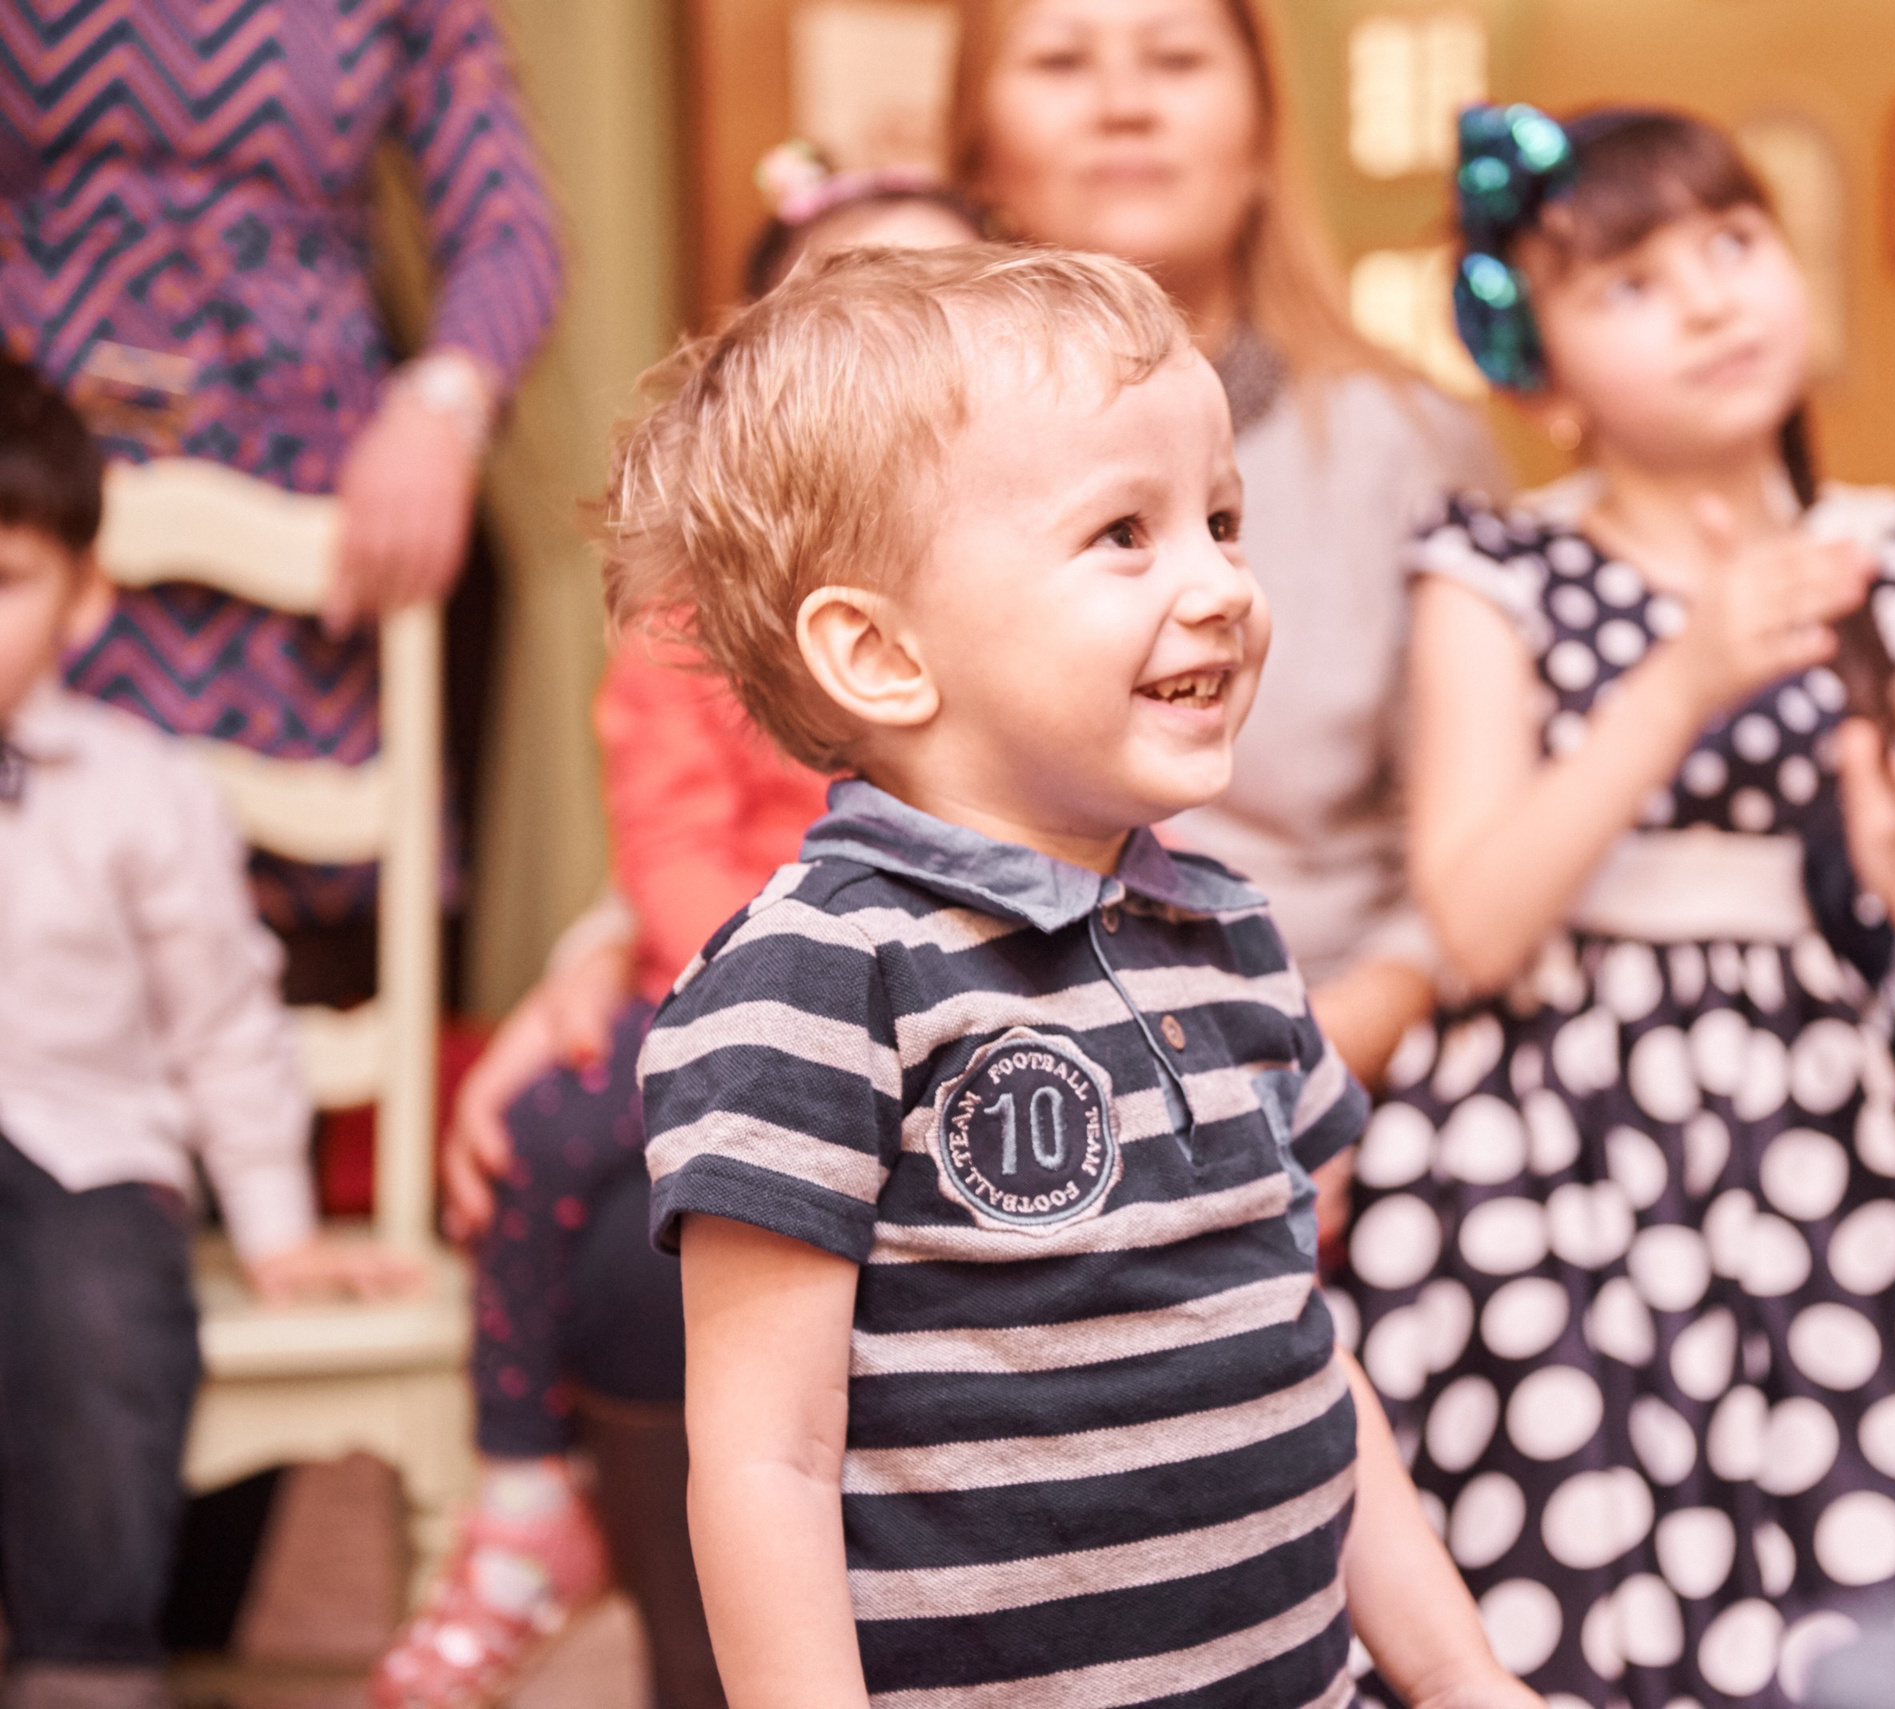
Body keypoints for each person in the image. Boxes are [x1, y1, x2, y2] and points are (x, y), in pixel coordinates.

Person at [1336, 106, 1895, 1707]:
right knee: (1568, 1483)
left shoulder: (1890, 566)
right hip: (1547, 1134)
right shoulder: (1491, 570)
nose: (1715, 301)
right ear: (1541, 366)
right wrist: (1685, 676)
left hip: (1831, 1108)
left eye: (1735, 246)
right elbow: (1473, 926)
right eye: (1631, 285)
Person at [613, 242, 1541, 1709]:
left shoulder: (1229, 933)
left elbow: (1298, 1356)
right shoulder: (819, 976)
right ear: (879, 650)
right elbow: (763, 1459)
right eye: (1127, 533)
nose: (1223, 586)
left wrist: (1468, 1678)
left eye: (1224, 523)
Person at [371, 173, 981, 1709]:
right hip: (743, 982)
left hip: (951, 993)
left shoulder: (1007, 570)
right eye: (850, 309)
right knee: (537, 1123)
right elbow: (666, 832)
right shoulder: (695, 604)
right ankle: (523, 1496)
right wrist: (770, 972)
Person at [951, 0, 1506, 1089]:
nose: (1124, 106)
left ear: (1260, 134)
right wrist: (597, 953)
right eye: (1062, 61)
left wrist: (1327, 1054)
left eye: (1176, 58)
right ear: (976, 151)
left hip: (1321, 1034)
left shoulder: (1411, 445)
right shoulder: (899, 450)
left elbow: (1489, 838)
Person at [0, 357, 415, 1709]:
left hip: (82, 1151)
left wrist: (279, 1225)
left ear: (82, 600)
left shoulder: (142, 791)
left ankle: (87, 1666)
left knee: (97, 1319)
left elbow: (226, 1021)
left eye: (3, 582)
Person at [0, 0, 560, 934]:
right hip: (37, 472)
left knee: (282, 941)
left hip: (304, 507)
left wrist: (442, 409)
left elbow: (510, 232)